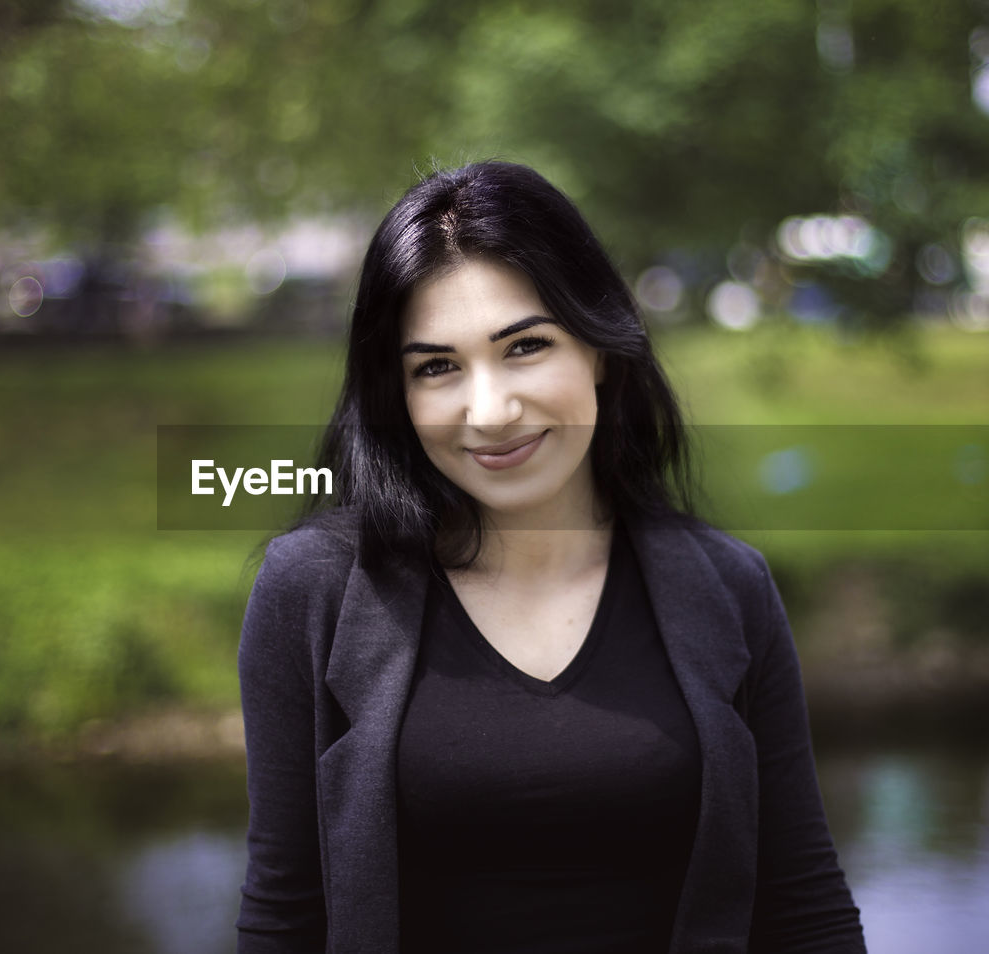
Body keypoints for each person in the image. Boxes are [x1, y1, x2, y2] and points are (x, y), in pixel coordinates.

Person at [235, 161, 866, 954]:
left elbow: (803, 908)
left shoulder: (729, 588)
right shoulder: (312, 590)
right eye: (437, 367)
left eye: (526, 346)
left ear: (601, 344)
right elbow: (282, 918)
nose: (490, 411)